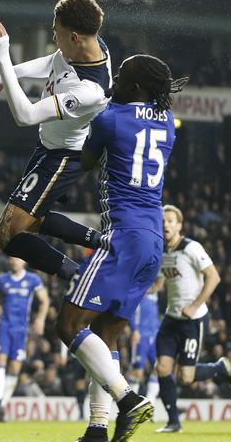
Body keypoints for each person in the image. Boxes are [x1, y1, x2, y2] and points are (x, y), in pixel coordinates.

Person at [53, 54, 189, 442]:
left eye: (121, 75)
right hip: (151, 241)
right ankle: (97, 428)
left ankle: (127, 398)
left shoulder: (109, 119)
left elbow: (89, 159)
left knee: (67, 325)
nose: (114, 78)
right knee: (103, 336)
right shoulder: (165, 120)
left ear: (137, 86)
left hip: (122, 236)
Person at [0, 0, 109, 282]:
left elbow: (25, 116)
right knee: (33, 218)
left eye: (57, 33)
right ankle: (103, 243)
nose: (55, 38)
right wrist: (5, 74)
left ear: (75, 36)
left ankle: (80, 277)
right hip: (47, 146)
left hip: (64, 157)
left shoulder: (90, 90)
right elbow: (52, 62)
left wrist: (3, 56)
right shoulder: (87, 46)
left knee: (5, 235)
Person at [153, 205, 229, 433]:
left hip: (193, 320)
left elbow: (213, 277)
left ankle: (220, 368)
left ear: (179, 225)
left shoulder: (191, 248)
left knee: (186, 377)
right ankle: (173, 422)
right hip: (171, 319)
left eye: (170, 221)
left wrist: (194, 305)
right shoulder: (163, 251)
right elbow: (160, 284)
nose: (165, 224)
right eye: (163, 221)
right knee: (162, 368)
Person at [0, 257, 49, 422]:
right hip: (4, 326)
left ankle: (2, 404)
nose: (13, 261)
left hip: (21, 329)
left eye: (17, 259)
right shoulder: (2, 279)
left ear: (24, 262)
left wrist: (41, 319)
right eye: (11, 258)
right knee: (0, 361)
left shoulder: (32, 279)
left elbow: (44, 300)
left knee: (15, 368)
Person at [128, 289, 161, 406]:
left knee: (159, 368)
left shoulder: (155, 291)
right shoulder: (137, 290)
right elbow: (130, 310)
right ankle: (130, 407)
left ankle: (150, 404)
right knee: (138, 371)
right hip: (141, 335)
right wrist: (134, 329)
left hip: (155, 334)